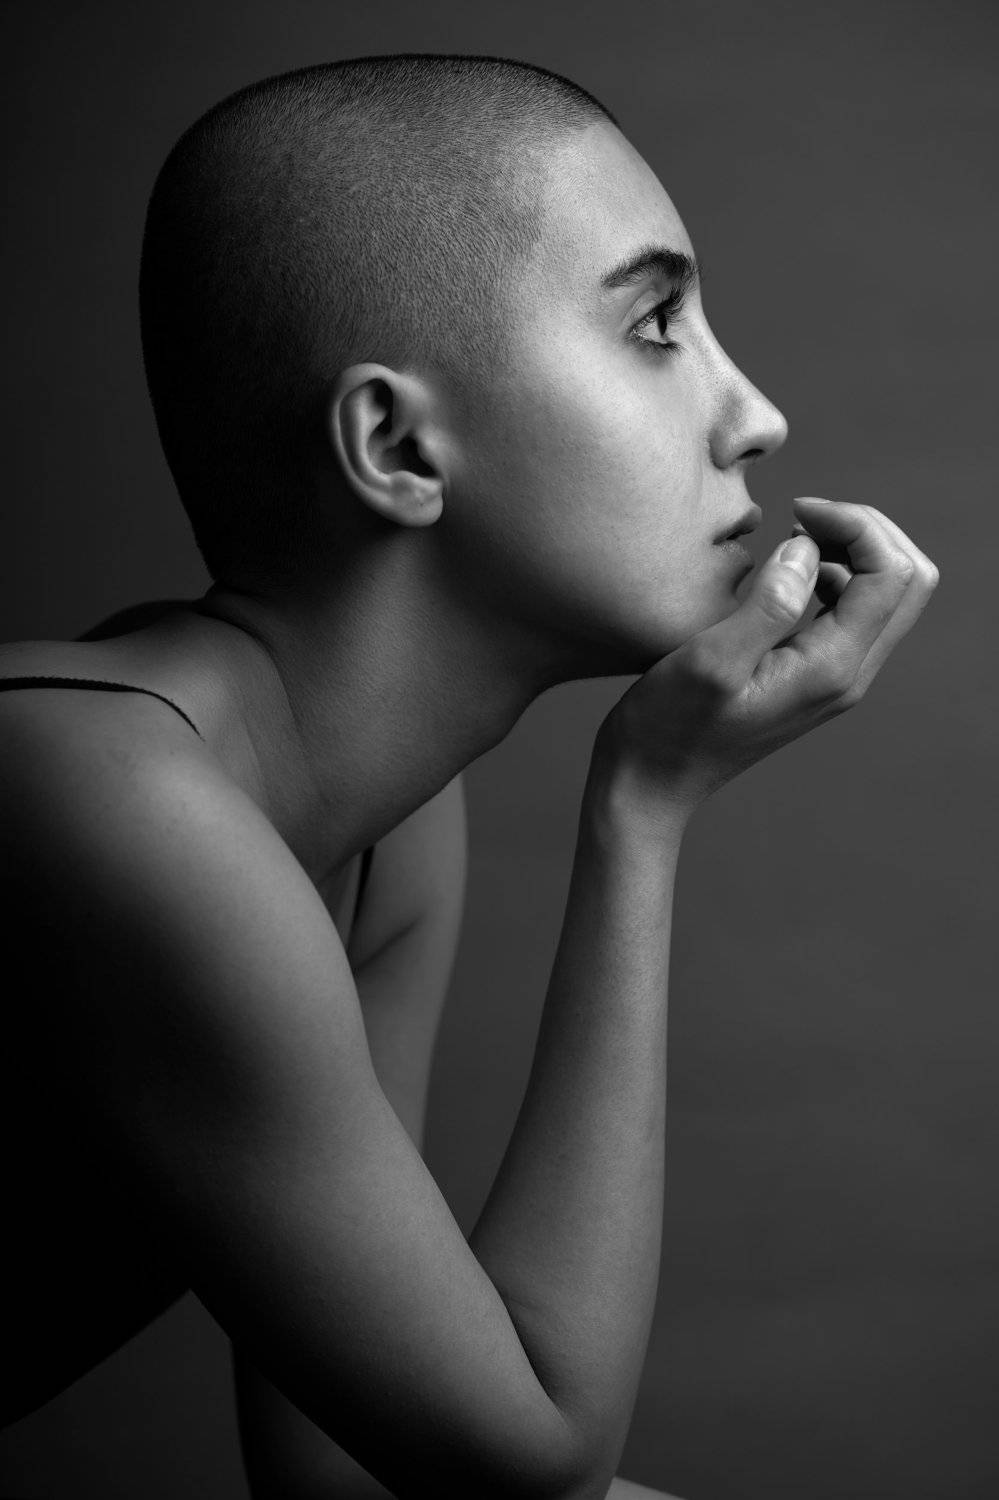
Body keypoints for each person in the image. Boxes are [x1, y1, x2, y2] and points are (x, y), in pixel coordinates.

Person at [0, 53, 938, 1500]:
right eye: (657, 327)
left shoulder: (377, 830)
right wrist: (645, 806)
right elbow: (526, 1466)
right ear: (395, 445)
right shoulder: (109, 799)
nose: (754, 415)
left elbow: (350, 1475)